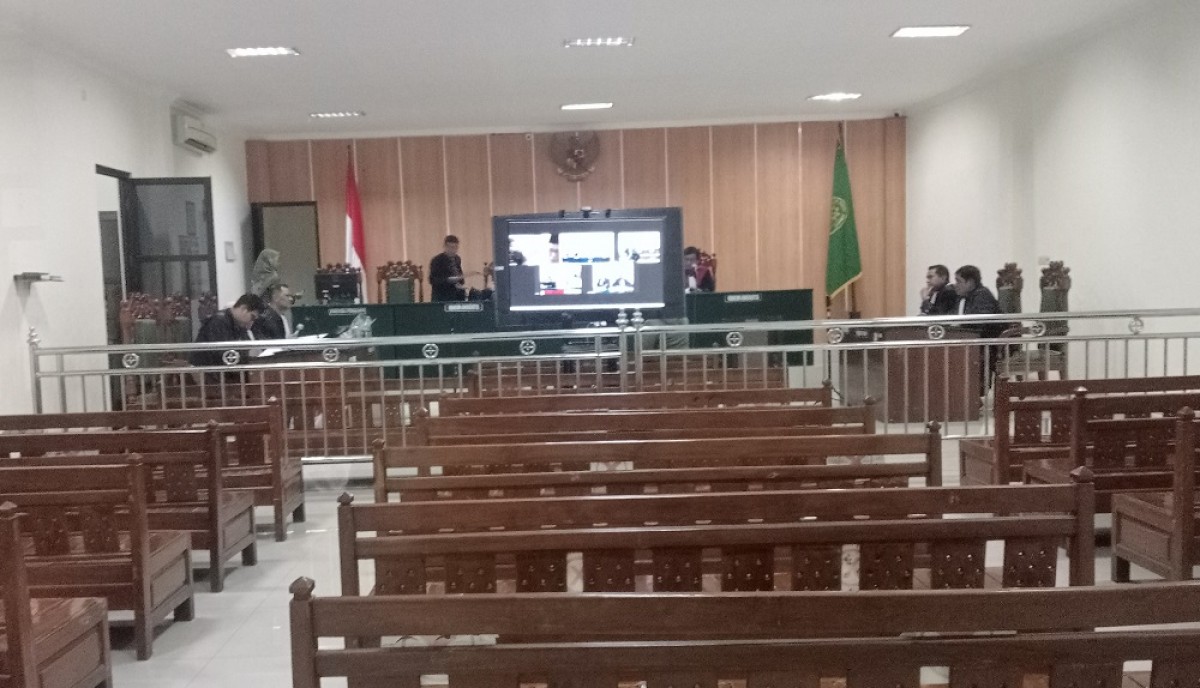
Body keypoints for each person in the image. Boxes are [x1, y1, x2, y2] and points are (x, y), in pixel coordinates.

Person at [189, 293, 265, 382]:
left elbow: (245, 348)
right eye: (252, 317)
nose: (252, 322)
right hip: (211, 375)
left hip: (223, 373)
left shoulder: (238, 324)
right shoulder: (219, 322)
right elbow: (224, 354)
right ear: (244, 309)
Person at [429, 235, 465, 302]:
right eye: (451, 247)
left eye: (456, 247)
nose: (453, 250)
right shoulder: (437, 260)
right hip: (441, 296)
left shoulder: (457, 259)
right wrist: (449, 280)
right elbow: (432, 280)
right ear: (445, 247)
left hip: (456, 295)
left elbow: (460, 276)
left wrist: (460, 281)